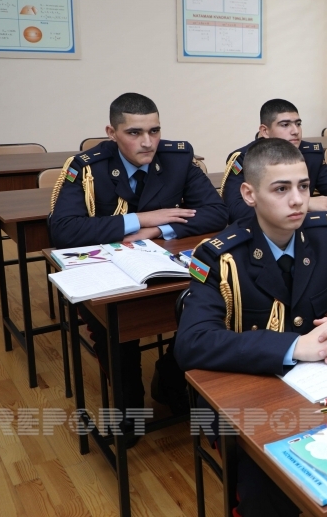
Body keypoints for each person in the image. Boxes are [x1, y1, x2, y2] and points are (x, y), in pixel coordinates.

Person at [175, 138, 327, 517]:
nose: (298, 200)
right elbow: (192, 343)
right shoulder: (221, 256)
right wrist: (294, 348)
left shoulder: (325, 237)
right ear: (249, 194)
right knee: (272, 487)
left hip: (322, 387)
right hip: (243, 397)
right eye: (281, 189)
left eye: (303, 187)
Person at [48, 92, 228, 438]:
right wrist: (140, 219)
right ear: (112, 132)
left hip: (161, 264)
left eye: (154, 131)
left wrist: (157, 229)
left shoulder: (177, 158)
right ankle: (130, 409)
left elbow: (216, 212)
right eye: (134, 133)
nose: (148, 142)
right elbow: (63, 230)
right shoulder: (87, 167)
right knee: (118, 333)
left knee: (202, 313)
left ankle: (170, 381)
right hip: (106, 274)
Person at [221, 98, 327, 226]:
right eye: (285, 125)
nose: (295, 131)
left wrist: (299, 211)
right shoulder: (244, 158)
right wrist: (306, 204)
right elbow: (235, 211)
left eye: (298, 124)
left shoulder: (310, 154)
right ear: (265, 131)